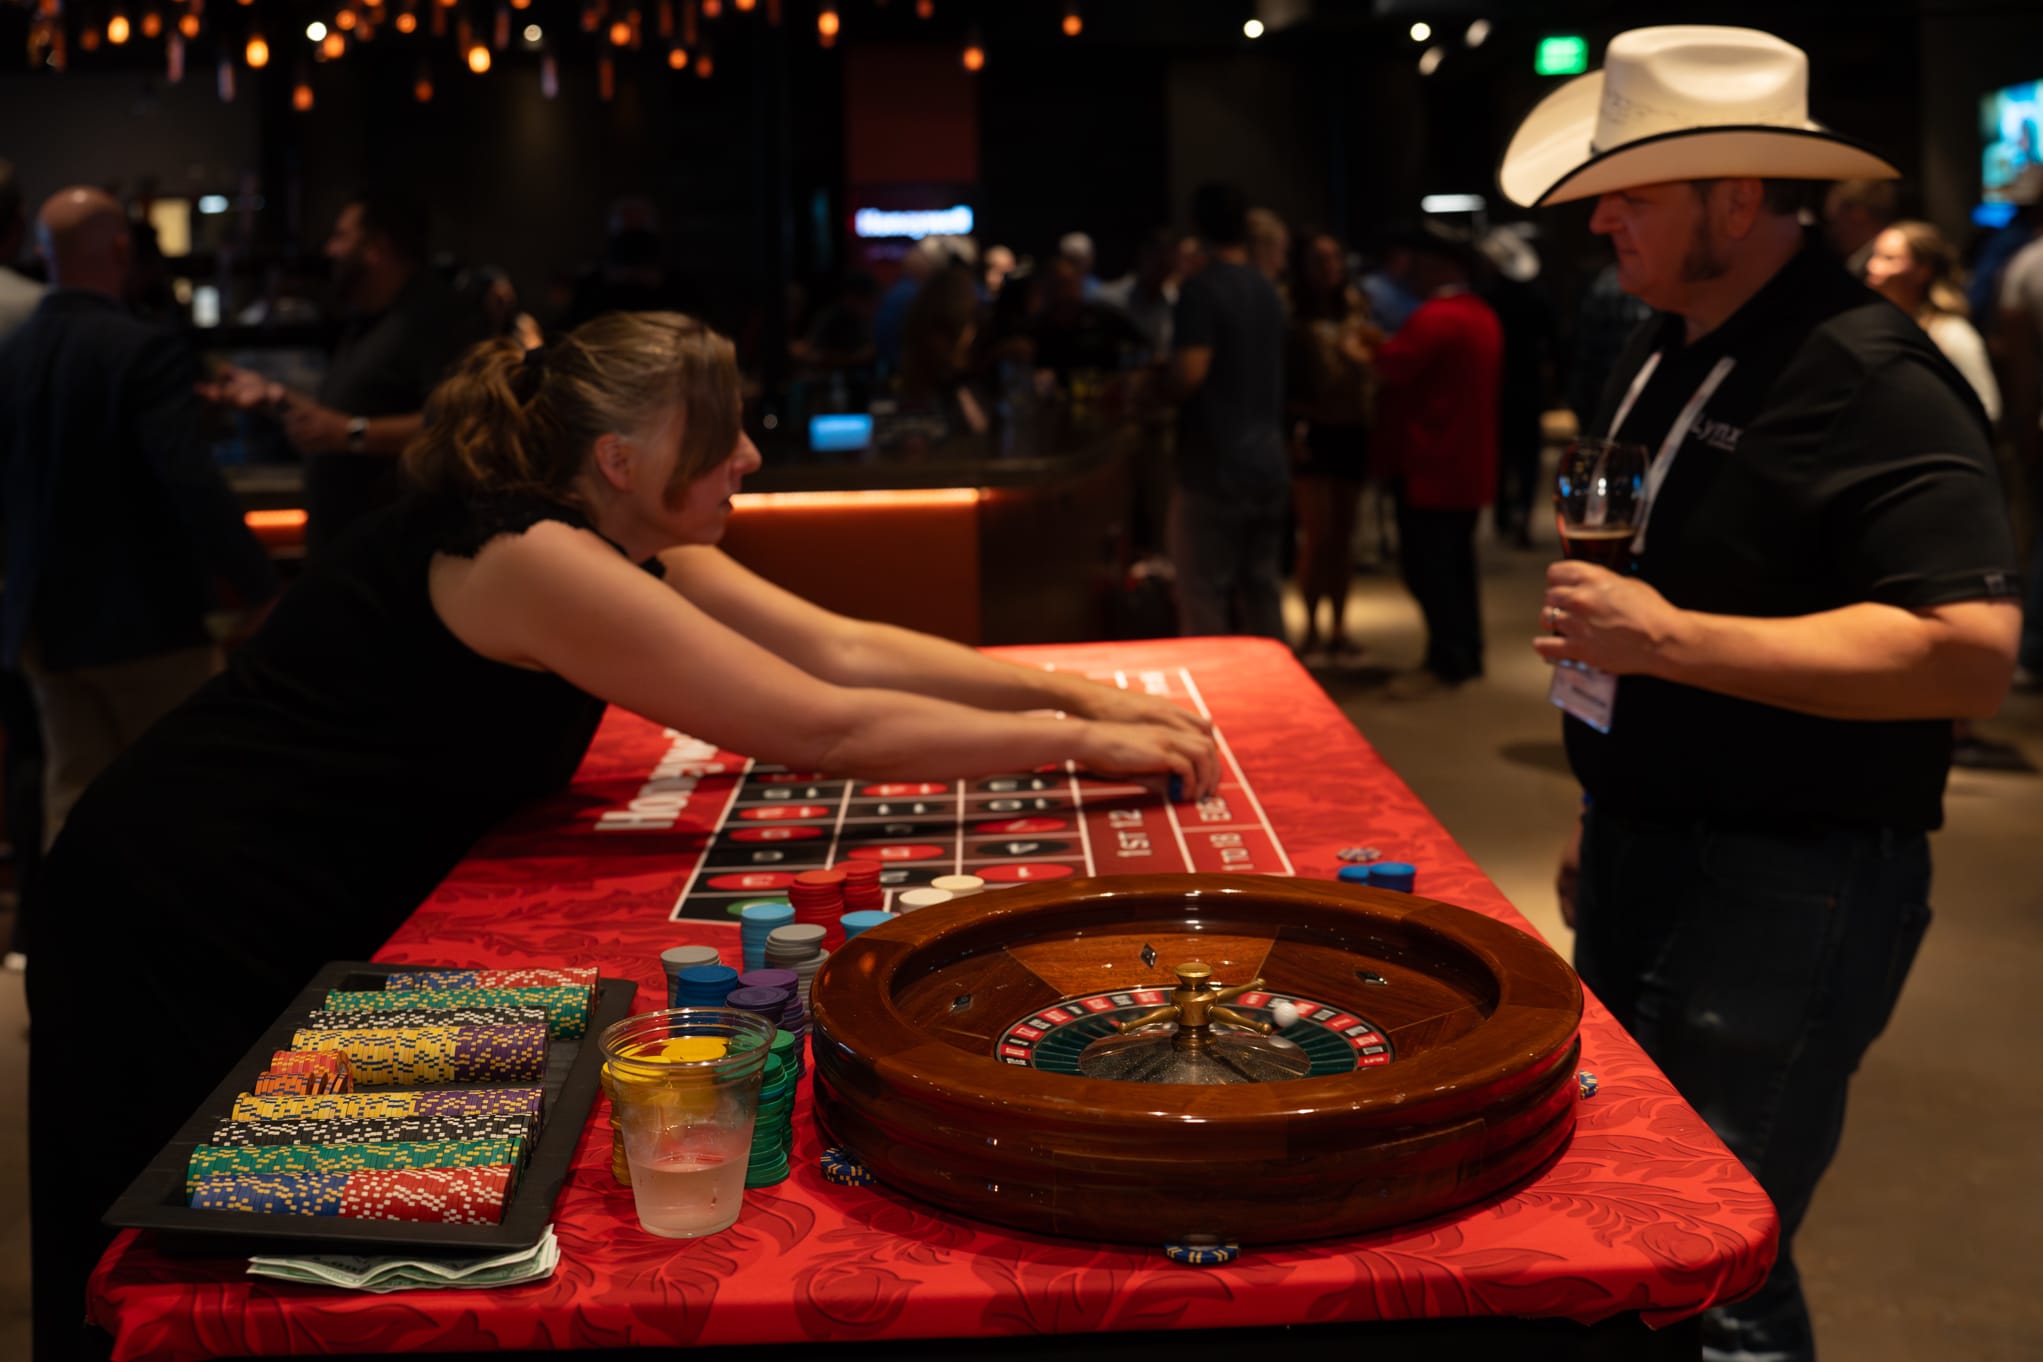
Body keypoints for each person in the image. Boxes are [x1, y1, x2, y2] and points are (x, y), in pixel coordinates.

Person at [25, 310, 1217, 1359]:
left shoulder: (616, 538)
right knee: (189, 1244)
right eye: (726, 431)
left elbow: (844, 649)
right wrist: (1070, 744)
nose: (751, 454)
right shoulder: (533, 558)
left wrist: (1078, 699)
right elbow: (827, 727)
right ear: (622, 457)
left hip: (278, 876)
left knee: (264, 1230)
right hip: (185, 893)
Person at [1500, 26, 2021, 1362]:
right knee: (1639, 1243)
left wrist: (1666, 641)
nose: (1599, 214)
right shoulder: (1683, 338)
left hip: (1791, 880)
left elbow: (1964, 652)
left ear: (1736, 197)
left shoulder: (1867, 371)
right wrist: (1599, 790)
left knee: (1708, 1271)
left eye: (1633, 190)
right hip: (1652, 846)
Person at [0, 187, 278, 852]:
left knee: (74, 799)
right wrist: (260, 587)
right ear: (122, 247)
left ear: (45, 253)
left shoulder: (15, 350)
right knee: (181, 800)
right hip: (146, 619)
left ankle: (68, 951)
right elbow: (189, 480)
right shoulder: (140, 348)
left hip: (45, 622)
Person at [203, 188, 477, 556]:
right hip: (349, 549)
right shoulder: (368, 319)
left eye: (341, 236)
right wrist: (273, 396)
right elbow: (335, 419)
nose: (330, 250)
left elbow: (457, 426)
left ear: (376, 246)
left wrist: (353, 434)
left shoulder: (437, 317)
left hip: (397, 557)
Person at [1371, 222, 1502, 697]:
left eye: (1422, 263)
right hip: (1465, 465)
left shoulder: (1437, 318)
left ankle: (1445, 660)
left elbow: (1388, 365)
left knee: (1430, 569)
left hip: (1430, 465)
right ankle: (1463, 654)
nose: (1412, 272)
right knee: (1456, 568)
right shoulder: (1480, 314)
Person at [1168, 183, 1289, 640]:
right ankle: (1286, 702)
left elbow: (1190, 373)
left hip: (1213, 464)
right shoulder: (1266, 288)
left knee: (1204, 597)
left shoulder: (1201, 290)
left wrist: (1152, 390)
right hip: (1268, 462)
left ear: (1197, 226)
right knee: (1262, 593)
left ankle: (1212, 711)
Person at [1284, 230, 1377, 660]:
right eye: (1319, 259)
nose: (1329, 267)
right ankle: (1311, 628)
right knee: (1317, 535)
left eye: (1334, 257)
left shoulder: (1355, 307)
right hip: (1311, 430)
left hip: (1352, 430)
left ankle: (1339, 626)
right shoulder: (1291, 313)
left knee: (1344, 536)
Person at [1863, 221, 2000, 421]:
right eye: (1874, 255)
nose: (1872, 266)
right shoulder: (1873, 325)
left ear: (1922, 271)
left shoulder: (1951, 333)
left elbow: (1989, 408)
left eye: (1889, 258)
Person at [1822, 177, 1898, 279]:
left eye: (1835, 222)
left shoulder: (1874, 268)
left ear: (1858, 214)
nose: (1832, 232)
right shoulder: (1858, 259)